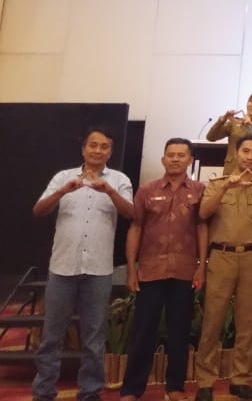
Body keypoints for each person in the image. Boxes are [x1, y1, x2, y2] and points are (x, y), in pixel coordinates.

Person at [32, 126, 134, 401]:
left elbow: (131, 213)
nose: (98, 150)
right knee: (52, 336)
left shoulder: (119, 180)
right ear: (83, 149)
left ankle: (89, 392)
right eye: (93, 145)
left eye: (104, 146)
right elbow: (38, 210)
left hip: (98, 270)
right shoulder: (63, 177)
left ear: (110, 152)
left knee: (94, 338)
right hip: (62, 268)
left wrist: (109, 191)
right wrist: (62, 192)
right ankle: (43, 392)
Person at [120, 137, 207, 401]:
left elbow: (202, 228)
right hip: (151, 270)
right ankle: (132, 389)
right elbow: (135, 228)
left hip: (184, 271)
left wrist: (201, 267)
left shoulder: (200, 190)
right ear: (163, 159)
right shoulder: (147, 190)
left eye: (181, 155)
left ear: (190, 160)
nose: (175, 159)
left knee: (179, 331)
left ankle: (175, 387)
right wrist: (131, 269)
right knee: (143, 331)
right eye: (171, 155)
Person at [194, 135, 252, 401]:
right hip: (222, 256)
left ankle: (240, 378)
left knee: (247, 321)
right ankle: (205, 381)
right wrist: (225, 188)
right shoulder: (217, 183)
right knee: (213, 320)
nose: (249, 157)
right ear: (236, 152)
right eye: (246, 151)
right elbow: (203, 213)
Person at [204, 90, 252, 176]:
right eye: (251, 101)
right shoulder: (235, 122)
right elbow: (211, 137)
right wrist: (222, 120)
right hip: (231, 170)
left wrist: (250, 127)